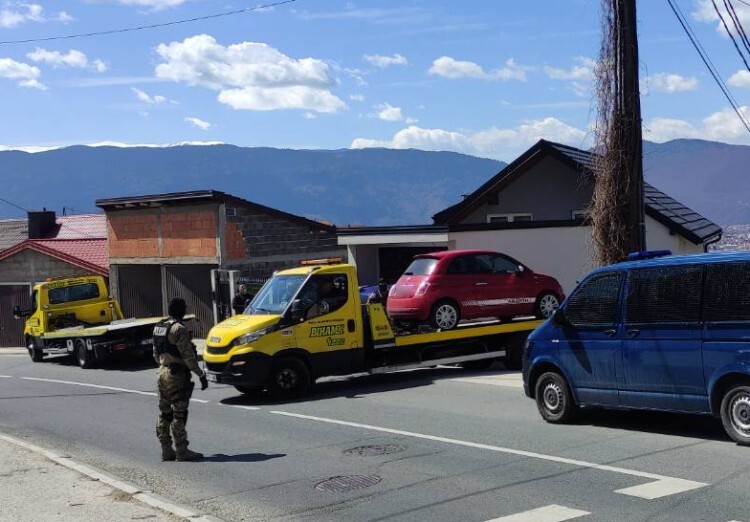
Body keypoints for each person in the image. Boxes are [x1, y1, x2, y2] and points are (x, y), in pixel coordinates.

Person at [152, 297, 209, 462]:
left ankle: (166, 449)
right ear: (180, 310)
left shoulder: (159, 326)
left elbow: (155, 353)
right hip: (176, 375)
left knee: (164, 413)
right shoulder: (179, 329)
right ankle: (182, 450)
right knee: (179, 413)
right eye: (184, 308)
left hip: (162, 372)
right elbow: (188, 356)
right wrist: (201, 375)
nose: (185, 310)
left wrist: (163, 365)